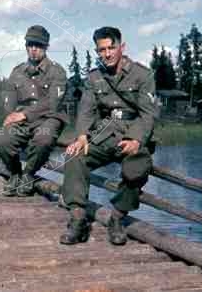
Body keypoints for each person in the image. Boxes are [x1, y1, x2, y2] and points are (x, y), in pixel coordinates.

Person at [61, 26, 157, 245]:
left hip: (133, 133)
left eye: (111, 48)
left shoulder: (142, 75)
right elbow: (86, 109)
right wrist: (82, 136)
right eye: (101, 50)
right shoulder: (94, 77)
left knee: (136, 169)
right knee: (75, 157)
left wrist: (136, 139)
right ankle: (78, 220)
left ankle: (117, 218)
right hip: (104, 134)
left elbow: (148, 113)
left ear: (121, 47)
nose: (107, 54)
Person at [0, 25, 68, 196]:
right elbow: (9, 99)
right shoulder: (18, 72)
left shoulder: (57, 71)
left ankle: (28, 175)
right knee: (3, 141)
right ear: (26, 46)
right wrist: (9, 116)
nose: (34, 49)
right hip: (23, 121)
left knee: (43, 138)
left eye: (39, 45)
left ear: (46, 47)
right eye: (30, 45)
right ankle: (15, 174)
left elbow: (52, 102)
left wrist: (23, 114)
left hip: (49, 117)